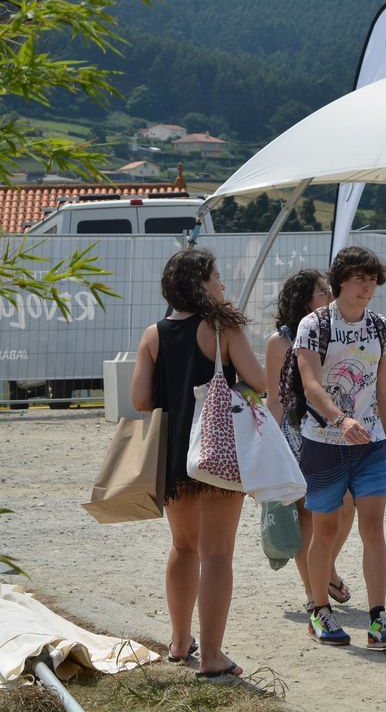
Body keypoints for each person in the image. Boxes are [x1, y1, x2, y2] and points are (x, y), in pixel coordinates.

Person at [130, 247, 267, 680]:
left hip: (176, 456)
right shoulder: (221, 327)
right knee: (219, 554)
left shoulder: (152, 334)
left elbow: (139, 400)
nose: (222, 284)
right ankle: (211, 656)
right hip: (218, 451)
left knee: (183, 547)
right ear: (200, 283)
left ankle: (178, 641)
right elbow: (259, 382)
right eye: (216, 276)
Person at [294, 246, 386, 649]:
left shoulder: (379, 326)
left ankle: (378, 619)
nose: (368, 286)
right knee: (324, 529)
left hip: (372, 443)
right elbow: (310, 385)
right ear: (341, 279)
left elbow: (384, 389)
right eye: (360, 278)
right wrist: (341, 420)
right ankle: (319, 611)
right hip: (324, 441)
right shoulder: (313, 324)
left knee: (373, 526)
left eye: (373, 279)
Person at [264, 269, 357, 614]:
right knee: (309, 516)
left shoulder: (336, 332)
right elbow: (273, 398)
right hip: (295, 433)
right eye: (323, 291)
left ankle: (325, 568)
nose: (330, 296)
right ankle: (313, 591)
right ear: (304, 298)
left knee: (346, 505)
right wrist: (269, 448)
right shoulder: (280, 341)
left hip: (332, 430)